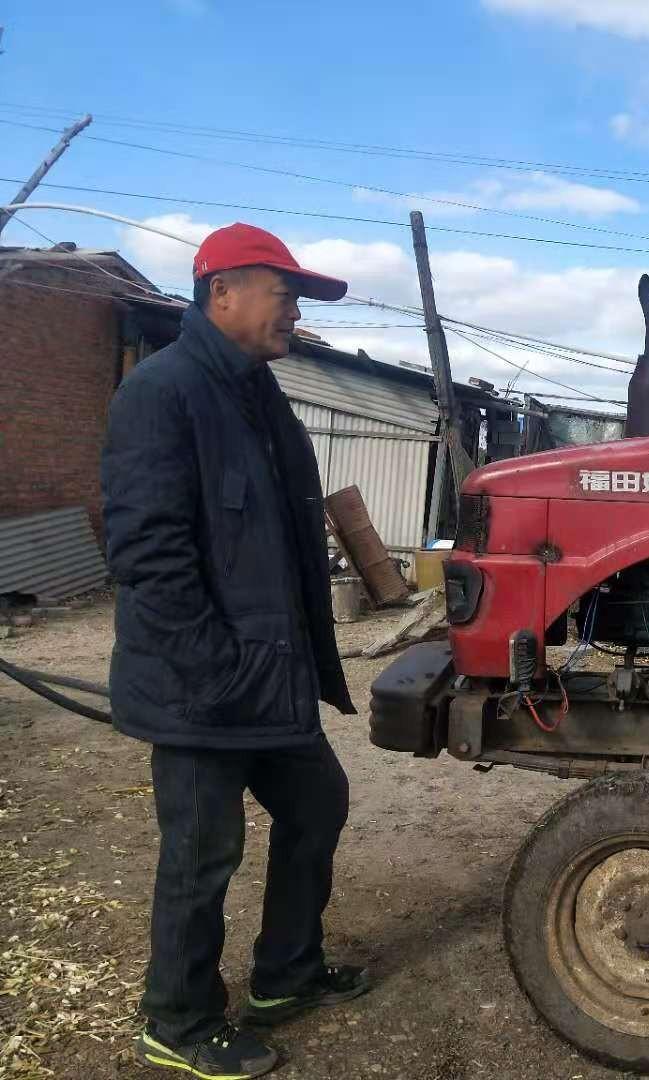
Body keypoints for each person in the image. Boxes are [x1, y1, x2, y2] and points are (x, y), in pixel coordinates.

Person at [102, 223, 368, 1079]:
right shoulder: (164, 392)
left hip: (270, 678)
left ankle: (284, 975)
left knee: (317, 803)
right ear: (222, 292)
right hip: (204, 684)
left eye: (296, 298)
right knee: (204, 848)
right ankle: (176, 1020)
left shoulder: (261, 396)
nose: (293, 309)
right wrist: (210, 670)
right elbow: (147, 553)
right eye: (283, 292)